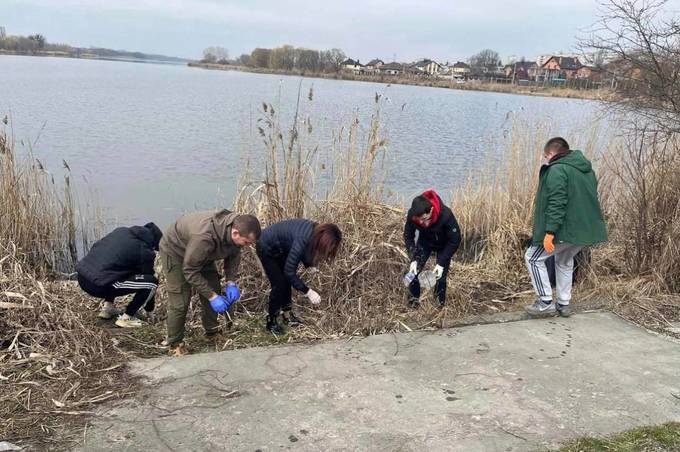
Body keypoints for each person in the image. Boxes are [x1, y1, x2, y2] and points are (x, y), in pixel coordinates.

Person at [525, 137, 607, 318]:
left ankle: (545, 302)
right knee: (564, 260)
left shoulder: (557, 170)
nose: (546, 160)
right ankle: (563, 303)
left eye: (546, 156)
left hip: (564, 230)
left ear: (553, 153)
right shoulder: (586, 170)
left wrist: (549, 232)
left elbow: (557, 202)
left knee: (532, 258)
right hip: (584, 230)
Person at [159, 209, 261, 355]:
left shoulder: (236, 228)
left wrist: (231, 282)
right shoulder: (204, 237)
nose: (247, 246)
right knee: (180, 301)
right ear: (235, 233)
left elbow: (233, 255)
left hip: (201, 254)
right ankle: (175, 343)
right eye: (246, 242)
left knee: (213, 287)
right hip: (176, 252)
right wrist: (212, 297)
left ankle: (211, 332)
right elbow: (190, 271)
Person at [256, 220, 342, 334]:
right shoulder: (303, 239)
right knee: (279, 284)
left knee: (286, 281)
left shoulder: (314, 234)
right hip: (266, 246)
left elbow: (305, 256)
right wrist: (308, 291)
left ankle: (287, 316)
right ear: (324, 241)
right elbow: (289, 272)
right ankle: (271, 321)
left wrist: (312, 265)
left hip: (281, 248)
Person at [76, 222, 162, 328]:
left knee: (116, 270)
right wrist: (150, 309)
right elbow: (148, 281)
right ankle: (127, 318)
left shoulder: (120, 231)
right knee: (152, 282)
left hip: (82, 276)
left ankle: (108, 308)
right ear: (153, 244)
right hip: (97, 285)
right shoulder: (145, 251)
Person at [404, 190, 461, 307]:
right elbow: (408, 235)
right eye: (419, 220)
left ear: (431, 210)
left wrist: (441, 262)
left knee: (440, 276)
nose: (422, 223)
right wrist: (413, 256)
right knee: (413, 272)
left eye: (425, 219)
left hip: (444, 245)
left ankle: (438, 306)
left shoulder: (446, 215)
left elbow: (455, 240)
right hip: (425, 242)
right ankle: (413, 304)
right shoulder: (413, 215)